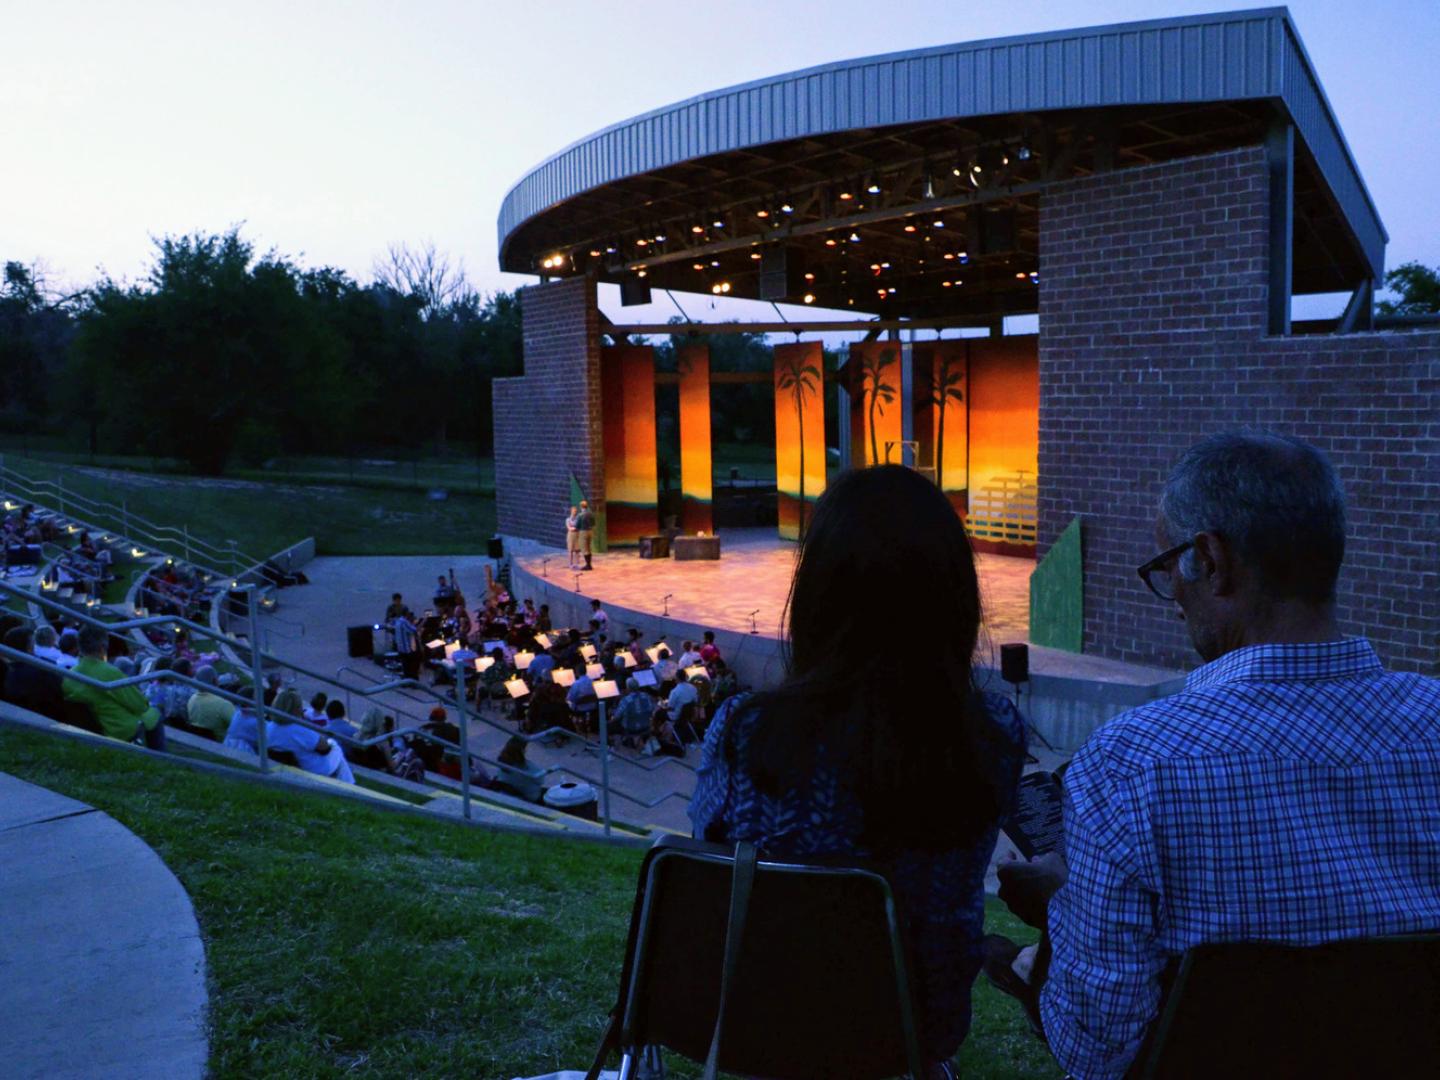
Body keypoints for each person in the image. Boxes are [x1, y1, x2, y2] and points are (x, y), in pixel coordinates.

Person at [993, 433, 1440, 1079]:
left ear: (1212, 560)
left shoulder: (1130, 767)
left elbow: (1094, 1050)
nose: (1171, 595)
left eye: (1168, 564)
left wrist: (1071, 911)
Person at [689, 465, 1027, 1076]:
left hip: (762, 1034)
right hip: (913, 1036)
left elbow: (708, 872)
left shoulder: (747, 732)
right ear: (953, 596)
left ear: (817, 591)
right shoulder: (993, 736)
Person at [64, 624, 166, 750]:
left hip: (95, 726)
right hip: (118, 729)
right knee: (156, 712)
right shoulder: (109, 672)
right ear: (103, 647)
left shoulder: (69, 675)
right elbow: (140, 705)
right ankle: (160, 756)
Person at [266, 688, 355, 783]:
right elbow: (324, 747)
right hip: (312, 768)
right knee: (335, 746)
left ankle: (349, 785)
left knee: (338, 758)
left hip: (291, 764)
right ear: (296, 709)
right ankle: (351, 785)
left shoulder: (268, 727)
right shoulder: (299, 729)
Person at [2, 625, 64, 721]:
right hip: (52, 716)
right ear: (29, 647)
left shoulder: (10, 672)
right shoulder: (42, 669)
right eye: (33, 642)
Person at [185, 665, 235, 742]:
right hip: (222, 744)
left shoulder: (191, 699)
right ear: (215, 680)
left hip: (197, 741)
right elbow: (239, 727)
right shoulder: (223, 704)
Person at [392, 609, 422, 681]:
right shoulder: (404, 622)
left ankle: (407, 681)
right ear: (406, 614)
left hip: (401, 649)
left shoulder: (397, 622)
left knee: (406, 667)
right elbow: (413, 630)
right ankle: (413, 681)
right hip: (407, 649)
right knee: (412, 666)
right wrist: (423, 622)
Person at [576, 499, 596, 570]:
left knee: (584, 549)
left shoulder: (580, 515)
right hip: (590, 531)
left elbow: (577, 525)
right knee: (589, 548)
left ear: (581, 507)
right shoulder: (591, 514)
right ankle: (589, 564)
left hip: (583, 532)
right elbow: (594, 523)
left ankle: (588, 565)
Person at [565, 504, 581, 569]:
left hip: (577, 535)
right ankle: (570, 563)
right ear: (571, 511)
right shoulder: (568, 519)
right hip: (570, 535)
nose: (575, 512)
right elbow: (569, 528)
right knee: (570, 550)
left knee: (577, 550)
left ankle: (577, 563)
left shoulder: (578, 519)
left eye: (576, 511)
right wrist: (573, 528)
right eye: (574, 511)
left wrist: (574, 528)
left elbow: (578, 527)